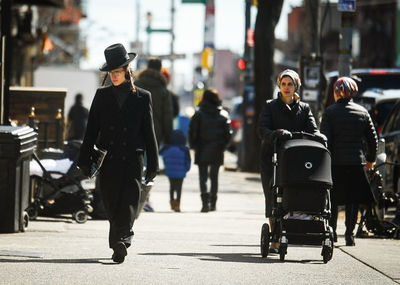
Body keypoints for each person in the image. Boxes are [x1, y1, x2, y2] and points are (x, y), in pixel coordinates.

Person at [77, 43, 158, 263]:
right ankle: (118, 243)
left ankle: (123, 239)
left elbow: (149, 134)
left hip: (133, 159)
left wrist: (153, 165)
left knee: (129, 202)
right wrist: (84, 160)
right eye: (111, 73)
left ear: (127, 71)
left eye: (118, 72)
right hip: (108, 160)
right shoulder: (102, 96)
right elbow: (91, 131)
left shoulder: (143, 97)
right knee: (112, 203)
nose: (114, 76)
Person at [258, 69, 320, 253]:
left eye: (290, 84)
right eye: (283, 84)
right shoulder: (270, 106)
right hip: (272, 158)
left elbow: (313, 129)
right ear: (279, 85)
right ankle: (275, 239)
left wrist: (318, 136)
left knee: (292, 194)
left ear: (296, 86)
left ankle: (292, 231)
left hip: (296, 159)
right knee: (273, 196)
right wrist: (276, 133)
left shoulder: (304, 108)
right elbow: (262, 130)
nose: (286, 87)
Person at [320, 77, 377, 246]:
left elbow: (325, 140)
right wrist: (370, 160)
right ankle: (349, 234)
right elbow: (372, 139)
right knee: (353, 199)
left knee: (333, 197)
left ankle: (332, 232)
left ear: (337, 92)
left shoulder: (330, 112)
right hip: (356, 163)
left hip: (335, 162)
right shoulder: (362, 112)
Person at [188, 89, 232, 212]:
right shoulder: (223, 115)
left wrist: (194, 146)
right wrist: (223, 146)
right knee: (214, 177)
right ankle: (213, 203)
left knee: (203, 177)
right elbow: (228, 135)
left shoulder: (199, 114)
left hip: (202, 149)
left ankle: (204, 203)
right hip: (217, 150)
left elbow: (192, 132)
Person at [135, 57, 173, 147]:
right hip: (155, 133)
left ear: (147, 67)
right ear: (160, 69)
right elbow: (167, 116)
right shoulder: (163, 90)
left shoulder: (136, 85)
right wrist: (168, 137)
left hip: (136, 131)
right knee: (152, 160)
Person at [160, 129, 191, 212]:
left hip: (170, 171)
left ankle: (172, 202)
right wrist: (186, 169)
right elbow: (188, 161)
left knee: (172, 187)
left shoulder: (167, 148)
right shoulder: (184, 149)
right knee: (179, 188)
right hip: (181, 172)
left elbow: (160, 153)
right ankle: (178, 203)